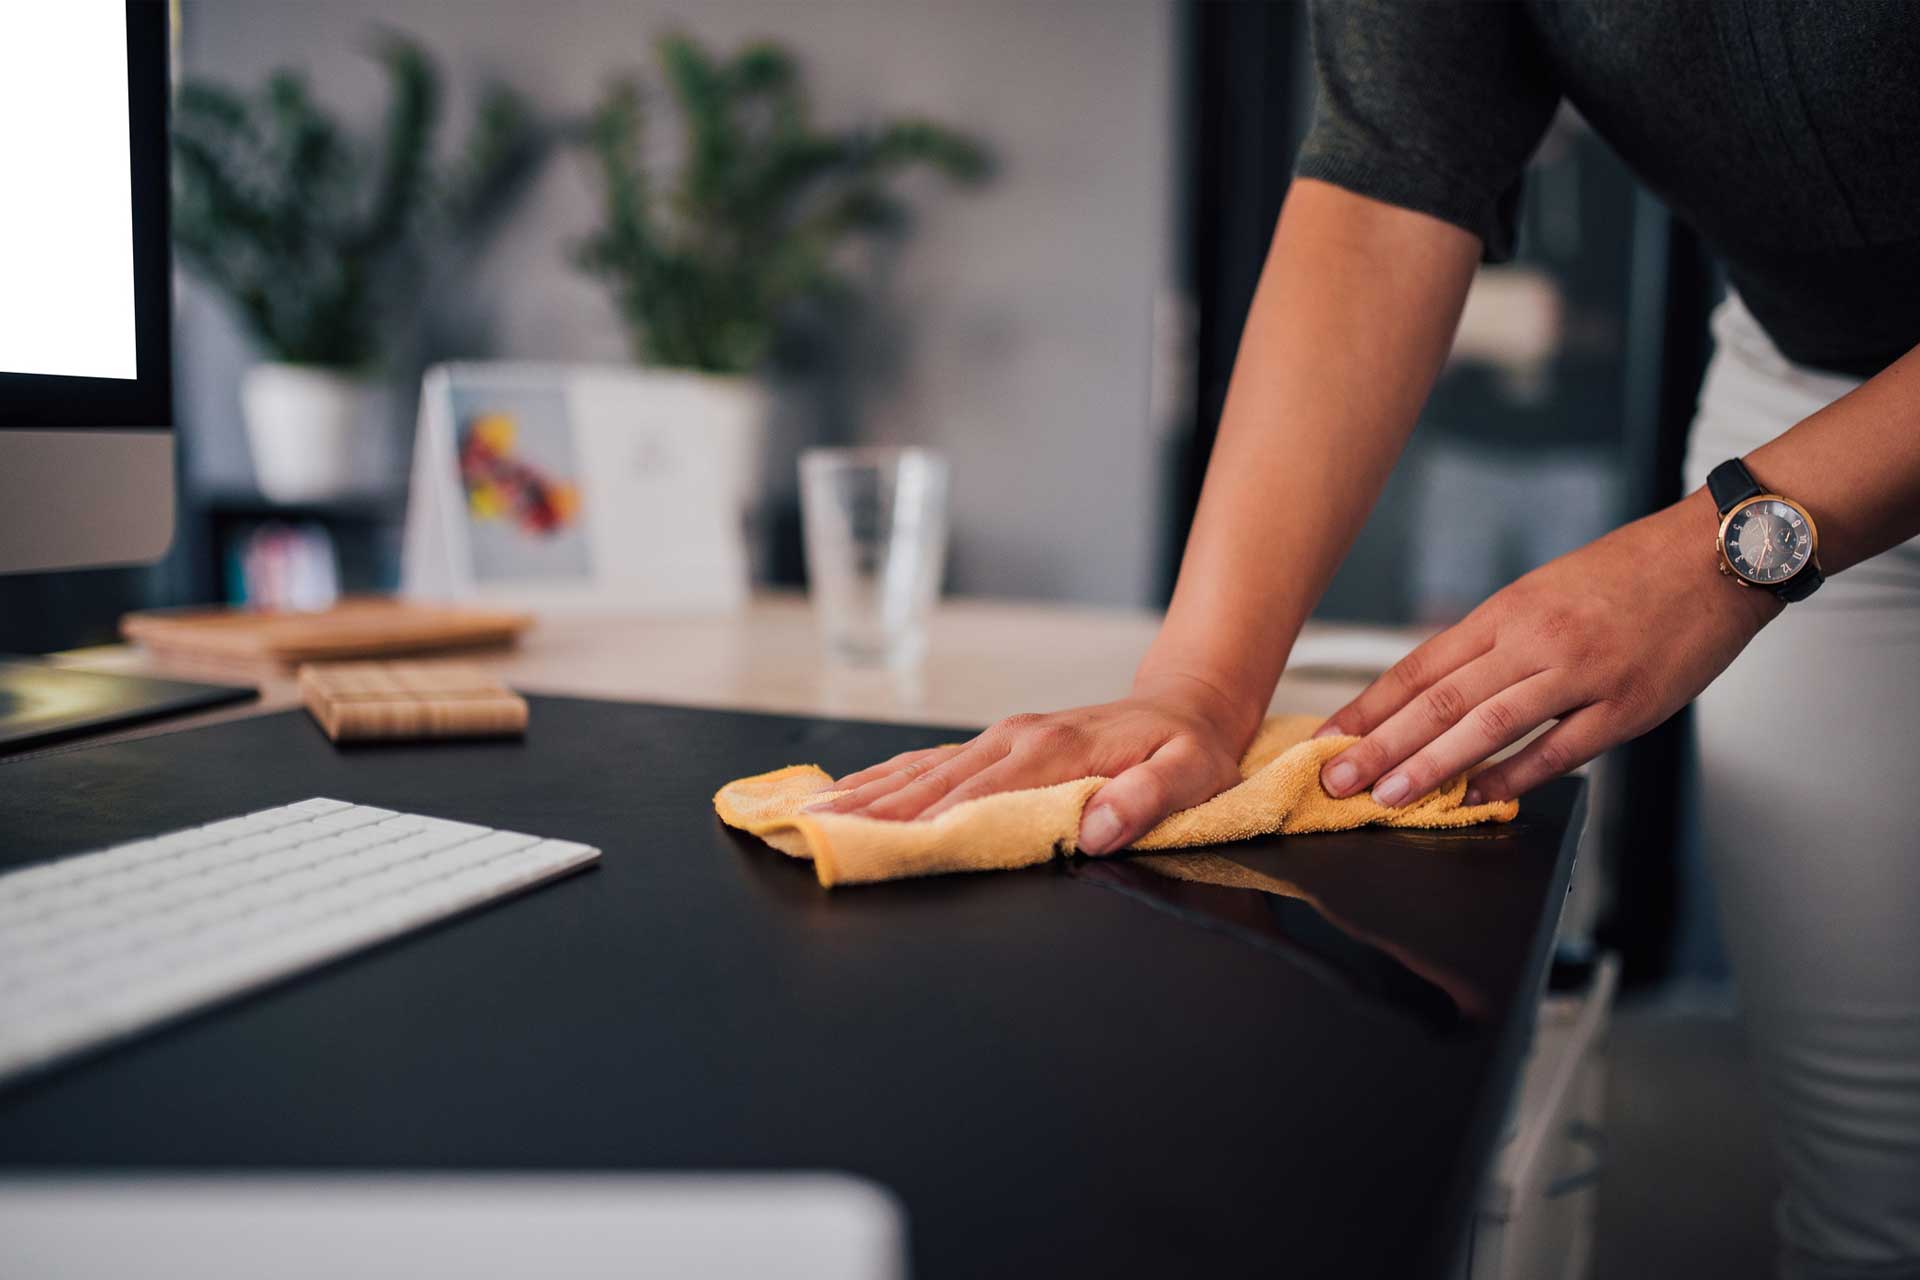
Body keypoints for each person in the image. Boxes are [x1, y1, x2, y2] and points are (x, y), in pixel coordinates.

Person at [813, 4, 1920, 1274]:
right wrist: (1198, 686)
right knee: (1878, 1203)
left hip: (1776, 493)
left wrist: (1715, 552)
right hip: (1807, 389)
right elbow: (1388, 171)